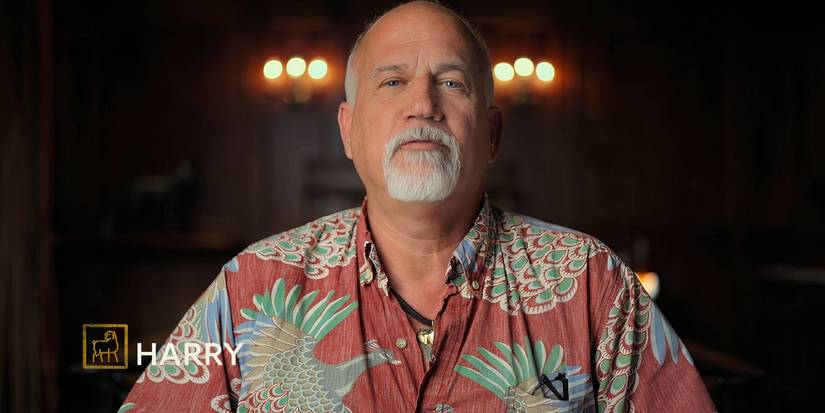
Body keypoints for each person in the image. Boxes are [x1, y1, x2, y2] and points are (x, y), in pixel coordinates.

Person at [119, 1, 715, 412]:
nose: (423, 104)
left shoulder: (595, 285)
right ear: (348, 131)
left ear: (491, 135)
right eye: (393, 82)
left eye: (452, 83)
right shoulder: (254, 285)